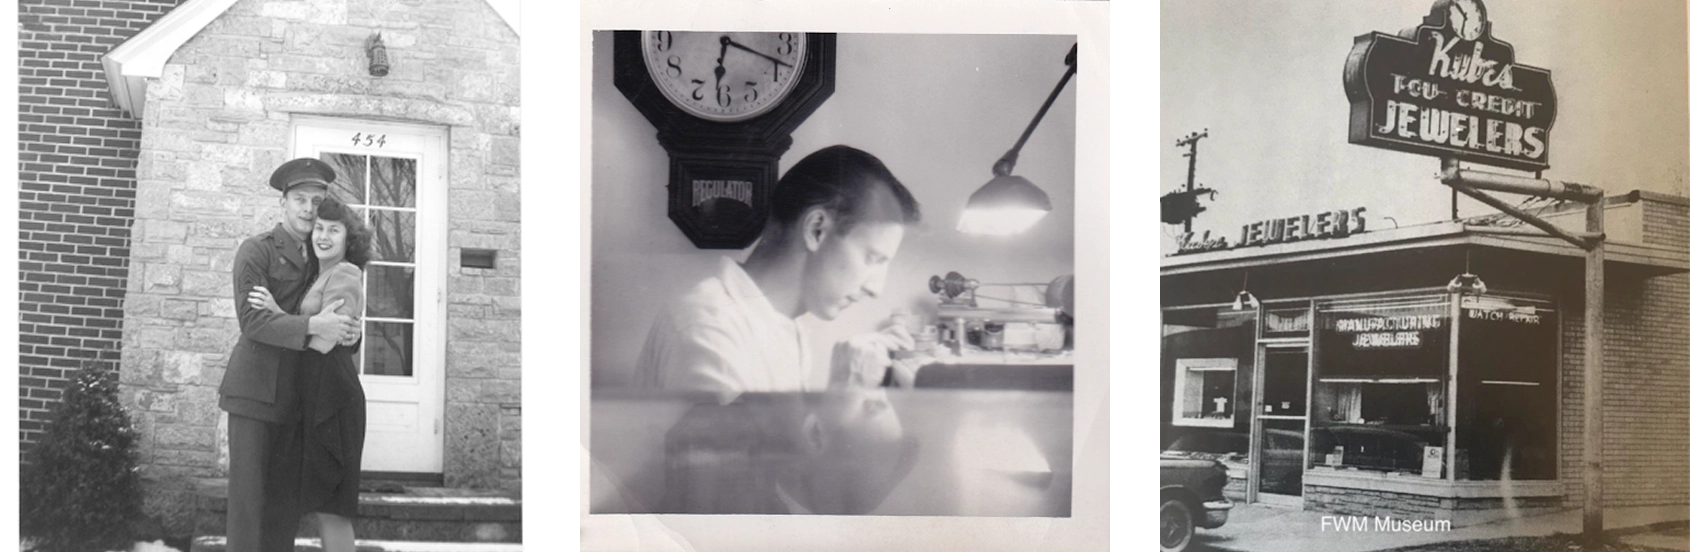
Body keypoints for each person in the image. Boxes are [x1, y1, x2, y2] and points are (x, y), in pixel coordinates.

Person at [636, 145, 923, 396]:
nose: (876, 289)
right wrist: (845, 394)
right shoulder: (709, 332)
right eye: (873, 258)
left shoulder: (786, 325)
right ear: (816, 229)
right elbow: (735, 460)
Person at [221, 158, 361, 552]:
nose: (308, 208)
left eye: (317, 201)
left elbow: (337, 311)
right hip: (255, 392)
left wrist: (351, 331)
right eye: (299, 199)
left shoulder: (323, 257)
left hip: (299, 399)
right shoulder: (256, 251)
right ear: (283, 202)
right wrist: (314, 327)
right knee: (249, 506)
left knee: (283, 507)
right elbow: (253, 321)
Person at [250, 195, 371, 552]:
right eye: (319, 228)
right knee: (321, 501)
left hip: (334, 399)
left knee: (332, 505)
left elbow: (326, 340)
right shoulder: (320, 274)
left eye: (334, 230)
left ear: (349, 240)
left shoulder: (345, 272)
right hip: (317, 397)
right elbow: (323, 330)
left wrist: (275, 313)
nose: (323, 236)